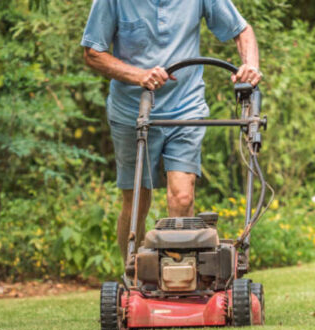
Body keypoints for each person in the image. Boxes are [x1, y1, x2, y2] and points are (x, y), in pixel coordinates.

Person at [81, 0, 261, 262]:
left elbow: (242, 30)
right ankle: (134, 273)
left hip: (185, 108)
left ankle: (179, 274)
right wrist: (138, 75)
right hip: (133, 111)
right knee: (137, 203)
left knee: (182, 196)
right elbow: (92, 53)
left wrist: (250, 66)